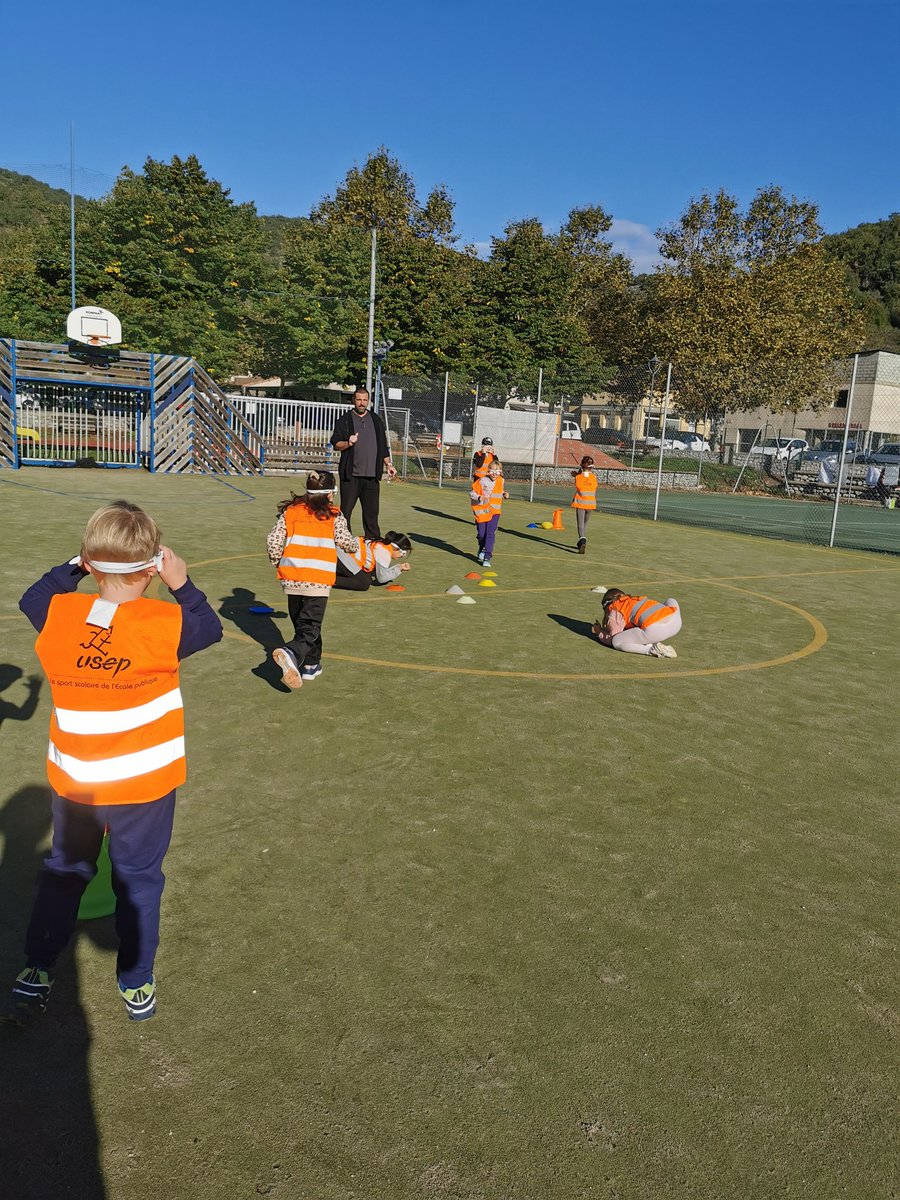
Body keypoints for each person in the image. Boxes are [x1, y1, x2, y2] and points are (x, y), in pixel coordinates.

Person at [2, 501, 223, 1025]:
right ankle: (136, 977)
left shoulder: (58, 613)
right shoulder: (166, 621)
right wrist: (182, 582)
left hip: (76, 781)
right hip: (143, 786)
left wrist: (74, 567)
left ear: (91, 564)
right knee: (139, 880)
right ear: (152, 566)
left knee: (65, 872)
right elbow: (208, 627)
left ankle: (36, 968)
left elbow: (34, 595)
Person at [268, 470, 358, 689]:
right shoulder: (334, 516)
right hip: (317, 581)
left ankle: (311, 664)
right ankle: (291, 652)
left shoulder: (291, 511)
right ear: (330, 494)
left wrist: (276, 560)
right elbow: (347, 543)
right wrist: (356, 545)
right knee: (310, 626)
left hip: (291, 579)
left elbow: (273, 540)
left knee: (304, 624)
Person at [330, 387, 397, 540]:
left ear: (368, 401)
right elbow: (336, 444)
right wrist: (348, 442)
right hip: (351, 476)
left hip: (372, 477)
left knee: (372, 514)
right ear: (354, 400)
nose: (361, 403)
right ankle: (343, 541)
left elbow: (382, 445)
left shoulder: (376, 420)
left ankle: (373, 543)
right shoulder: (344, 420)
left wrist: (388, 464)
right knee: (345, 513)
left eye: (364, 400)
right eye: (359, 399)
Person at [591, 588, 681, 658]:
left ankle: (652, 650)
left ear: (606, 606)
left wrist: (599, 632)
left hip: (655, 631)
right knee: (670, 600)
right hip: (676, 622)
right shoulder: (633, 600)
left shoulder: (614, 610)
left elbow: (612, 638)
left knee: (616, 641)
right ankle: (651, 643)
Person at [333, 531, 412, 592]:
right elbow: (382, 578)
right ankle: (327, 579)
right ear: (395, 548)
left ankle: (332, 574)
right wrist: (399, 568)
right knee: (363, 583)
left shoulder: (382, 544)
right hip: (342, 556)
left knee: (367, 578)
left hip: (342, 555)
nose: (402, 556)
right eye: (403, 553)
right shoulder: (384, 552)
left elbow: (379, 572)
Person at [470, 459, 509, 567]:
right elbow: (472, 493)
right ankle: (481, 548)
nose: (495, 475)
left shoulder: (501, 481)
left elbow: (498, 492)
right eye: (492, 472)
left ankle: (487, 557)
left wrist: (504, 494)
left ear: (500, 472)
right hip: (482, 512)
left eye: (497, 472)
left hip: (495, 511)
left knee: (490, 533)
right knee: (482, 534)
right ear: (488, 471)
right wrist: (479, 497)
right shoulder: (482, 481)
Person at [571, 455, 598, 554]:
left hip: (581, 503)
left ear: (582, 465)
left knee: (580, 524)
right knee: (585, 523)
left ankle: (582, 539)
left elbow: (579, 481)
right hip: (590, 504)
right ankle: (581, 541)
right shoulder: (594, 478)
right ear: (591, 467)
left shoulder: (578, 477)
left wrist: (577, 473)